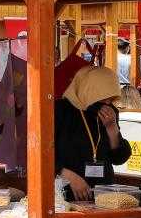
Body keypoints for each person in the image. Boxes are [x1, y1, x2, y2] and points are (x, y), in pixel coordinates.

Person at [56, 66, 132, 201]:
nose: (108, 102)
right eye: (103, 96)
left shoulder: (109, 112)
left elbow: (119, 158)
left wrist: (112, 128)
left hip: (103, 194)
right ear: (89, 90)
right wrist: (67, 175)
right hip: (66, 192)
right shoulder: (62, 110)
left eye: (111, 97)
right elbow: (42, 152)